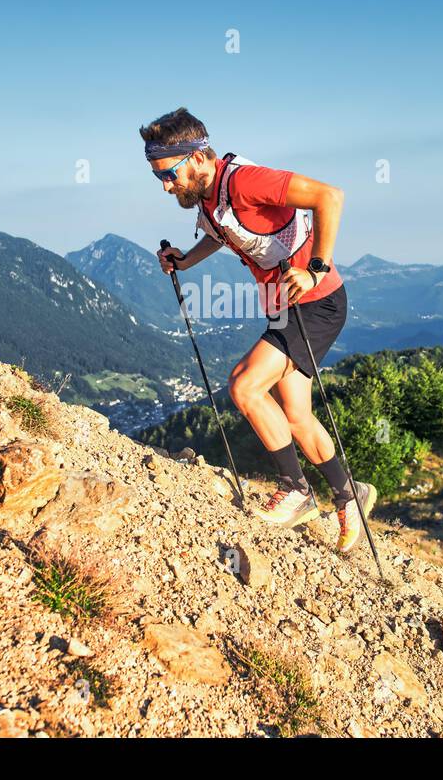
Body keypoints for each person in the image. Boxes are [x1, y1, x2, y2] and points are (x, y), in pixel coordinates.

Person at [140, 107, 376, 553]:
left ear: (196, 156)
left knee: (244, 386)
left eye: (169, 175)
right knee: (297, 415)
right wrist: (185, 261)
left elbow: (330, 196)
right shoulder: (207, 197)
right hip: (287, 306)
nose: (167, 186)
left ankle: (297, 491)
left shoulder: (246, 181)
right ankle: (351, 497)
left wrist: (315, 268)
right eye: (158, 178)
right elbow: (223, 233)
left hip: (316, 301)